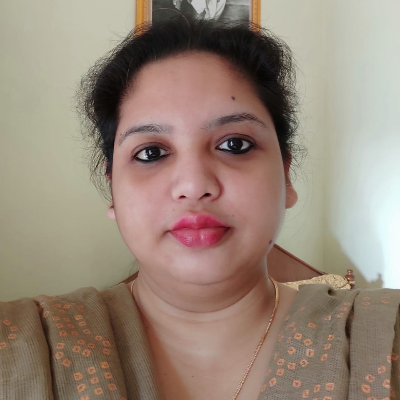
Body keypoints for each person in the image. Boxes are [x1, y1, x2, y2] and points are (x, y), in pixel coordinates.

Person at [1, 17, 399, 400]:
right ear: (113, 191)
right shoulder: (20, 344)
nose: (193, 185)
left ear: (286, 176)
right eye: (151, 152)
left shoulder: (383, 340)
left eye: (234, 145)